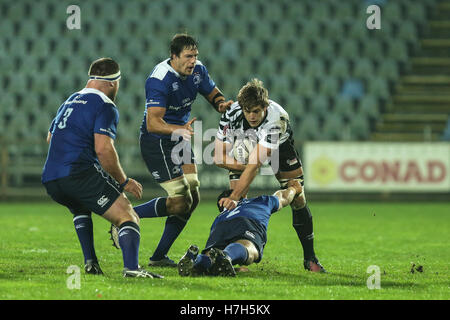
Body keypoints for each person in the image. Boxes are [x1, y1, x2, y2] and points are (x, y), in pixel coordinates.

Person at [117, 33, 233, 267]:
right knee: (180, 202)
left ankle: (158, 256)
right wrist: (177, 130)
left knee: (194, 197)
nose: (193, 61)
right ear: (174, 57)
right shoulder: (159, 79)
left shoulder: (198, 71)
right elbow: (153, 123)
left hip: (180, 136)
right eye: (188, 56)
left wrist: (222, 104)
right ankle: (125, 216)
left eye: (195, 56)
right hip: (157, 140)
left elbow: (213, 94)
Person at [42, 57, 162, 278]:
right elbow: (104, 150)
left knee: (79, 206)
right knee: (127, 215)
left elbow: (50, 138)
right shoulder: (105, 106)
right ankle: (132, 269)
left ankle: (91, 262)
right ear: (112, 83)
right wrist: (124, 181)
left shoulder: (68, 101)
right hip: (78, 173)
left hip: (51, 177)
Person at [213, 78, 326, 272]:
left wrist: (234, 194)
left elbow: (256, 164)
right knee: (237, 207)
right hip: (246, 145)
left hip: (280, 149)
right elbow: (218, 156)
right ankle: (229, 258)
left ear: (265, 106)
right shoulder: (232, 112)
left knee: (298, 197)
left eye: (256, 111)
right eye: (247, 111)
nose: (251, 116)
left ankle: (310, 258)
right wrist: (237, 193)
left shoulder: (276, 119)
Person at [177, 180, 304, 277]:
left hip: (220, 225)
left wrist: (235, 268)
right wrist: (294, 188)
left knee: (210, 255)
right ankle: (226, 256)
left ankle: (196, 260)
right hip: (248, 220)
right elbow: (283, 197)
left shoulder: (220, 216)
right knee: (248, 246)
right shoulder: (260, 201)